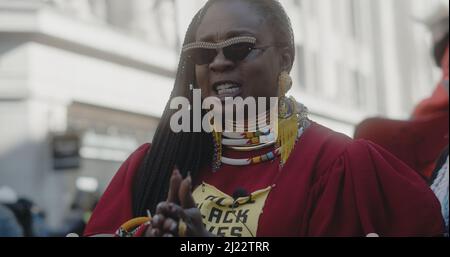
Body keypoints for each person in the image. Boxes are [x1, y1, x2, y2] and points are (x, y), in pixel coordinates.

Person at [84, 0, 444, 237]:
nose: (219, 62)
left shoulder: (340, 165)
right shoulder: (148, 167)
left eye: (240, 47)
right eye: (203, 52)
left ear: (285, 59)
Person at [354, 5, 449, 179]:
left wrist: (421, 109)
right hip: (435, 138)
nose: (432, 38)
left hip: (437, 138)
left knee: (370, 132)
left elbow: (443, 96)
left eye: (433, 31)